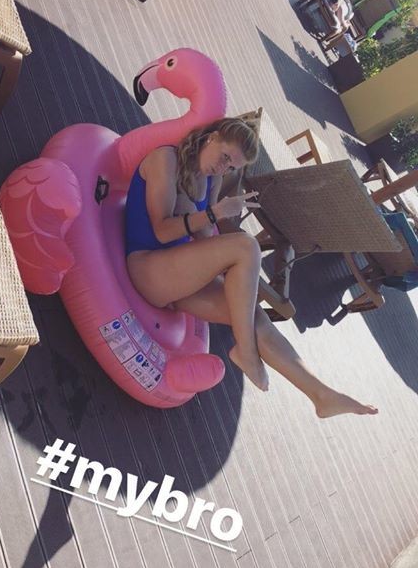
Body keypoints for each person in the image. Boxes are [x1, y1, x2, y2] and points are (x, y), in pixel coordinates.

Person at [125, 117, 378, 418]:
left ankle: (322, 395)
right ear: (212, 137)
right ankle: (245, 352)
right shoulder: (165, 159)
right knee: (247, 245)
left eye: (231, 167)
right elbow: (161, 231)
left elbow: (204, 238)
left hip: (178, 273)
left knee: (252, 314)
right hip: (147, 268)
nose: (223, 168)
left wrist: (228, 260)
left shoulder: (211, 179)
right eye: (225, 157)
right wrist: (213, 214)